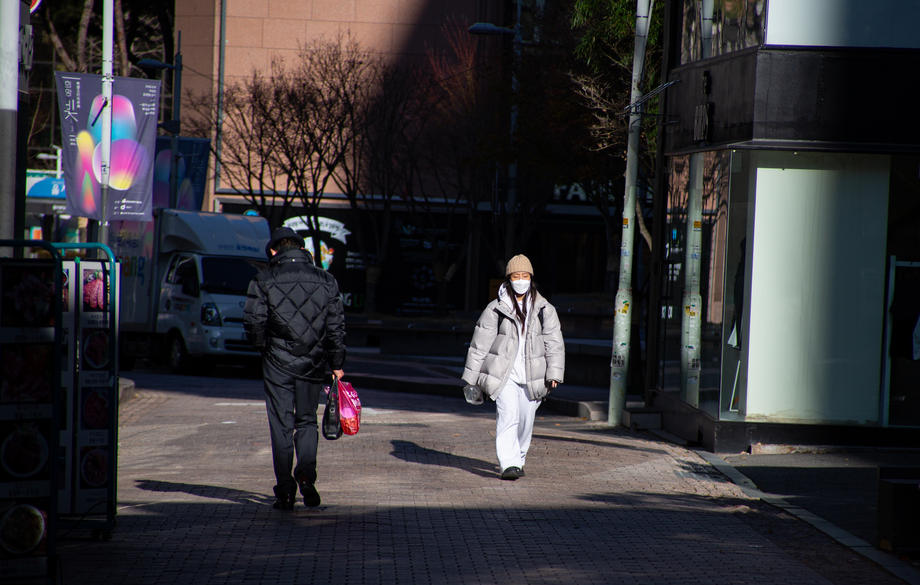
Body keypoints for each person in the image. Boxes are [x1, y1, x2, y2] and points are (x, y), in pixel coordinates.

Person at [244, 227, 346, 510]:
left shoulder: (263, 280)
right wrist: (337, 363)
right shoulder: (326, 281)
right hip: (313, 362)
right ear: (301, 249)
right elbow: (336, 326)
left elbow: (254, 323)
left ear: (274, 251)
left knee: (280, 424)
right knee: (306, 421)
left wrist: (263, 345)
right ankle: (306, 475)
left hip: (277, 362)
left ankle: (285, 489)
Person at [461, 254, 565, 480]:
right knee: (508, 416)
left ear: (531, 278)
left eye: (524, 275)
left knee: (526, 421)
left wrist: (554, 373)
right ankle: (508, 464)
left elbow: (554, 343)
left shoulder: (544, 309)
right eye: (516, 276)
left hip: (533, 375)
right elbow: (479, 344)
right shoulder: (496, 308)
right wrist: (470, 377)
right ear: (509, 279)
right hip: (503, 374)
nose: (521, 280)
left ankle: (518, 457)